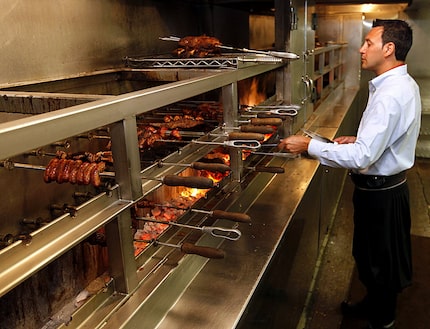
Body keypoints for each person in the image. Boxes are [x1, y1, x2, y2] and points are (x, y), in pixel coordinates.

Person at [278, 19, 421, 329]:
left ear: (389, 48)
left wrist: (309, 145)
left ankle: (383, 320)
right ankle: (372, 304)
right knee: (371, 257)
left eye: (368, 43)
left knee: (381, 262)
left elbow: (363, 157)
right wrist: (360, 138)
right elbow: (387, 137)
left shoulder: (390, 94)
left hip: (382, 193)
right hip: (383, 189)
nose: (361, 48)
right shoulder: (399, 83)